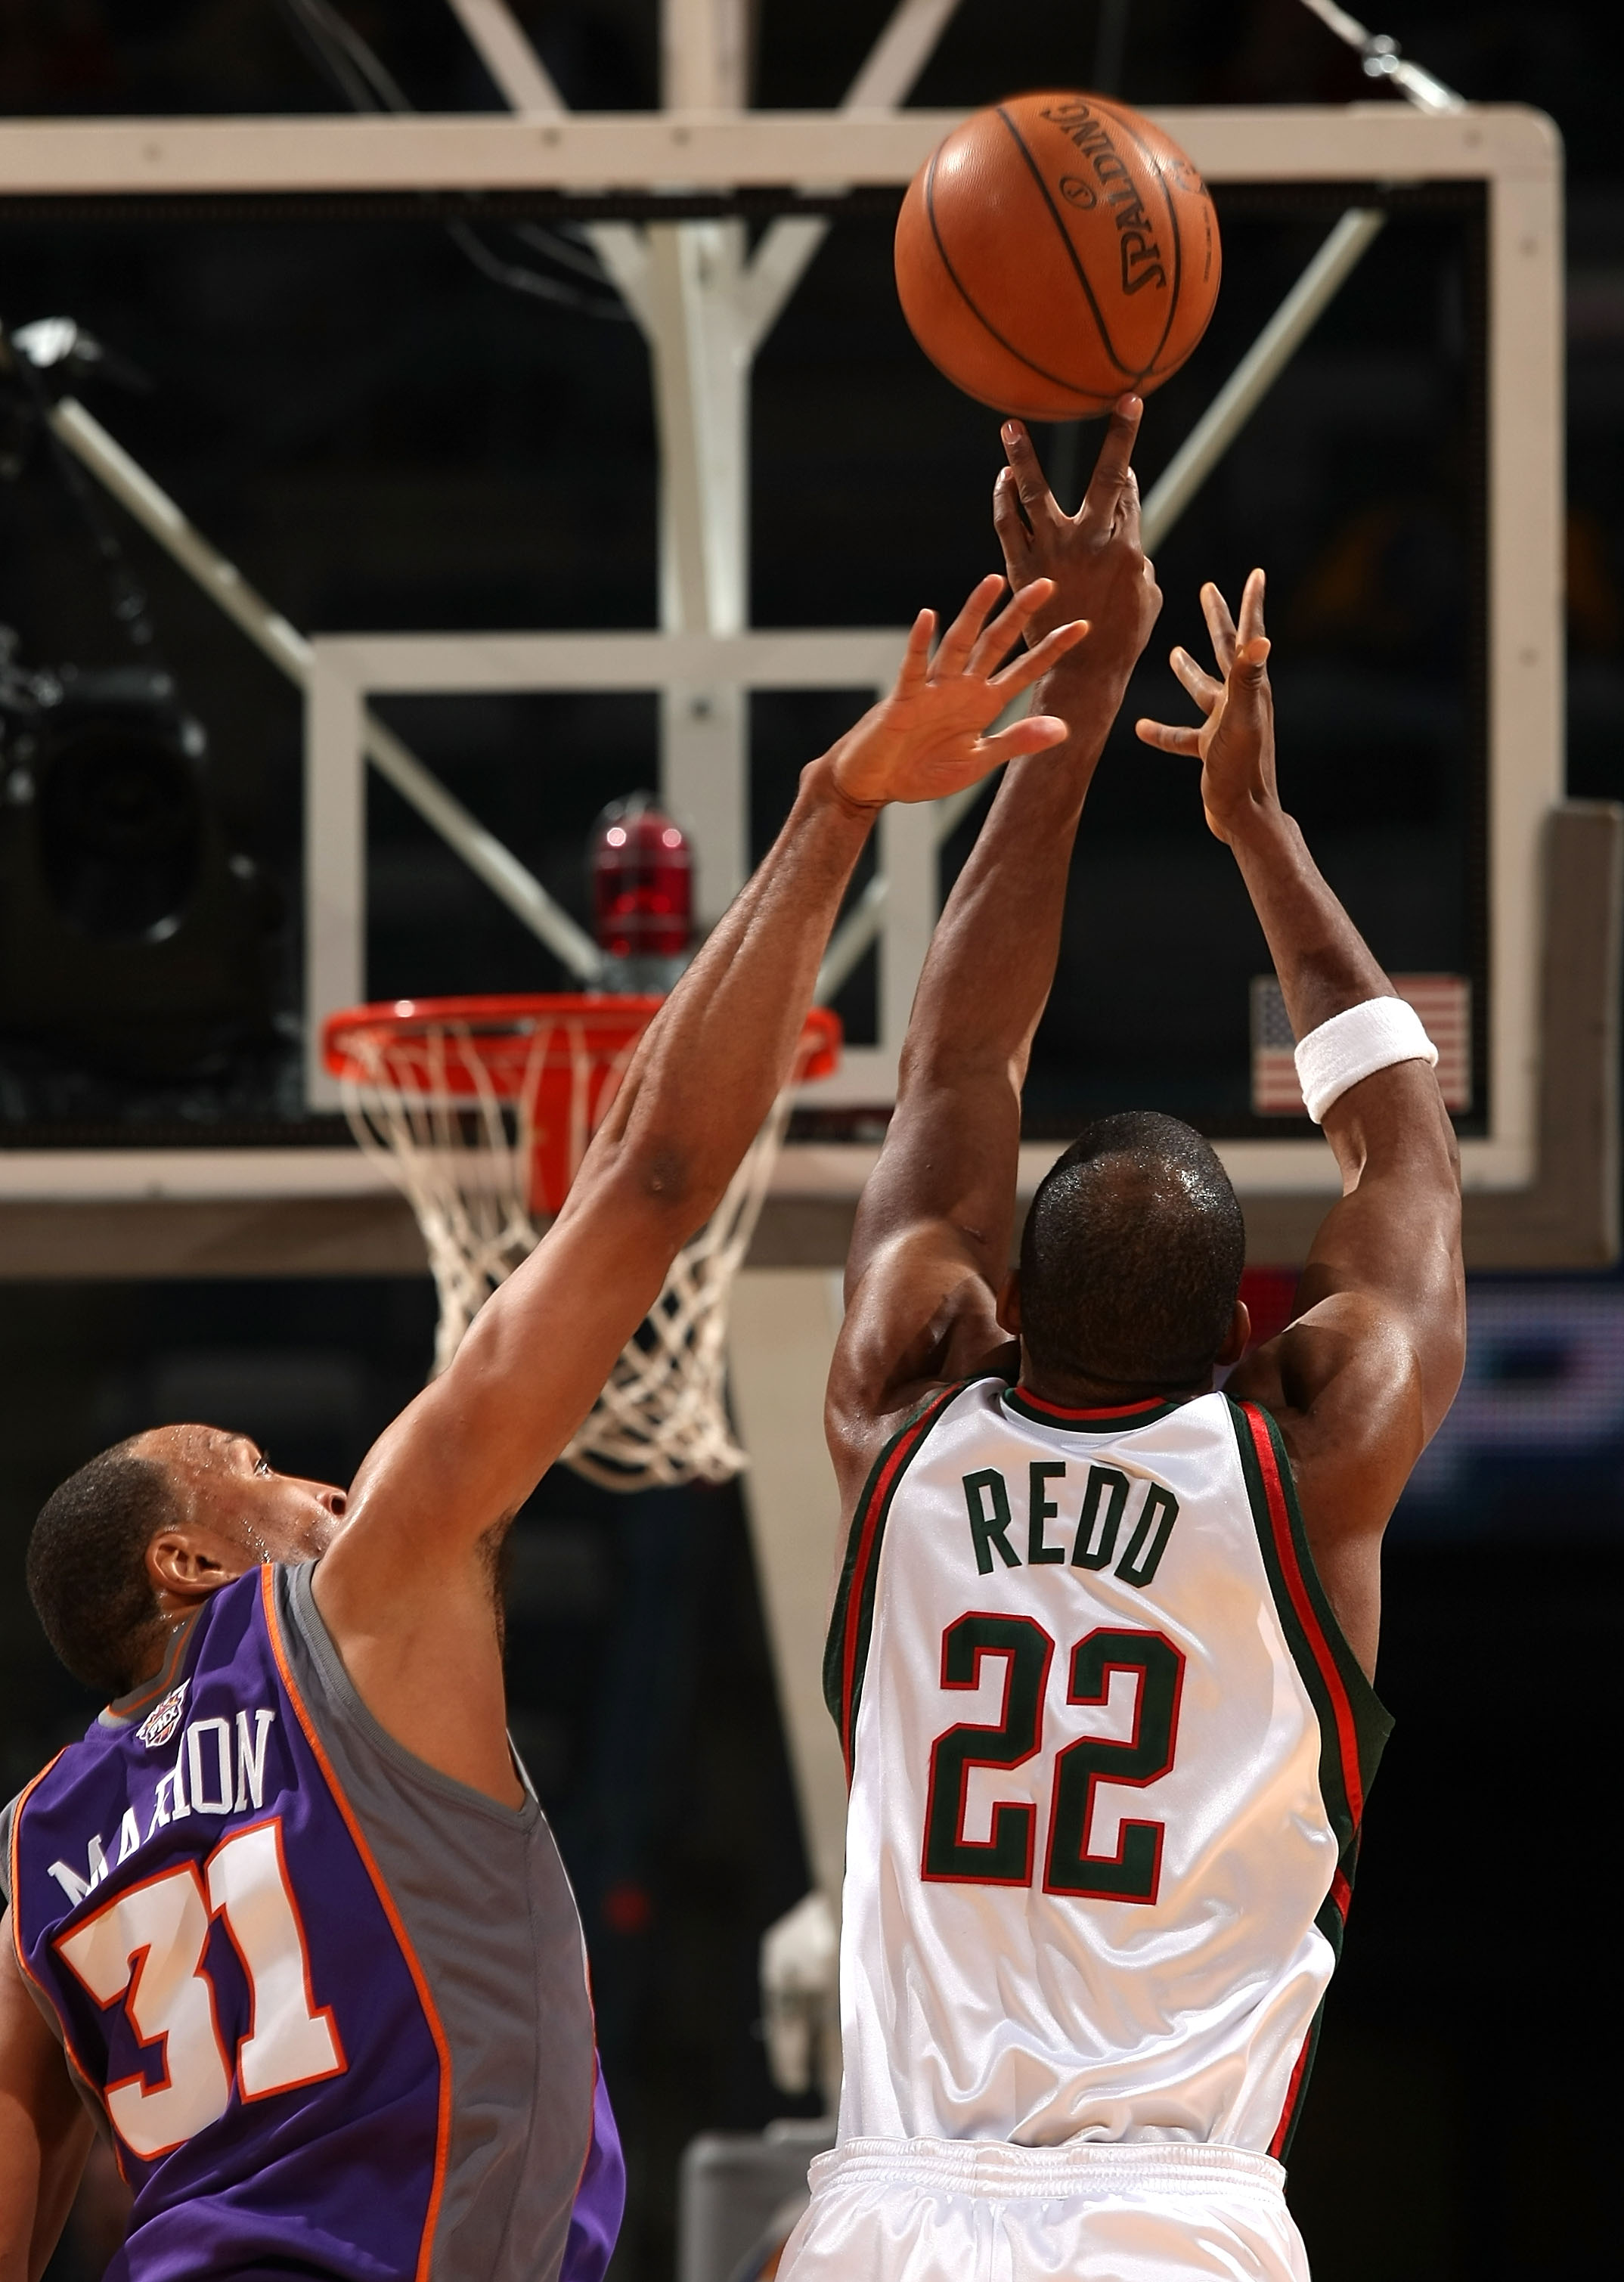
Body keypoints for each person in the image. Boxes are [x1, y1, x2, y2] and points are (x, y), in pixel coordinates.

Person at [0, 572, 1090, 2282]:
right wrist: (835, 802)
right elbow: (647, 1180)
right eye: (258, 1471)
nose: (318, 1480)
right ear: (189, 1561)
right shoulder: (360, 1596)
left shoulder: (35, 1849)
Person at [782, 402, 1465, 2282]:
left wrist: (1070, 701)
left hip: (892, 2211)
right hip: (1179, 2223)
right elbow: (1407, 1141)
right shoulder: (1308, 1461)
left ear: (999, 1306)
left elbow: (959, 1066)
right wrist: (1262, 830)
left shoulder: (903, 1416)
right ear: (1254, 1331)